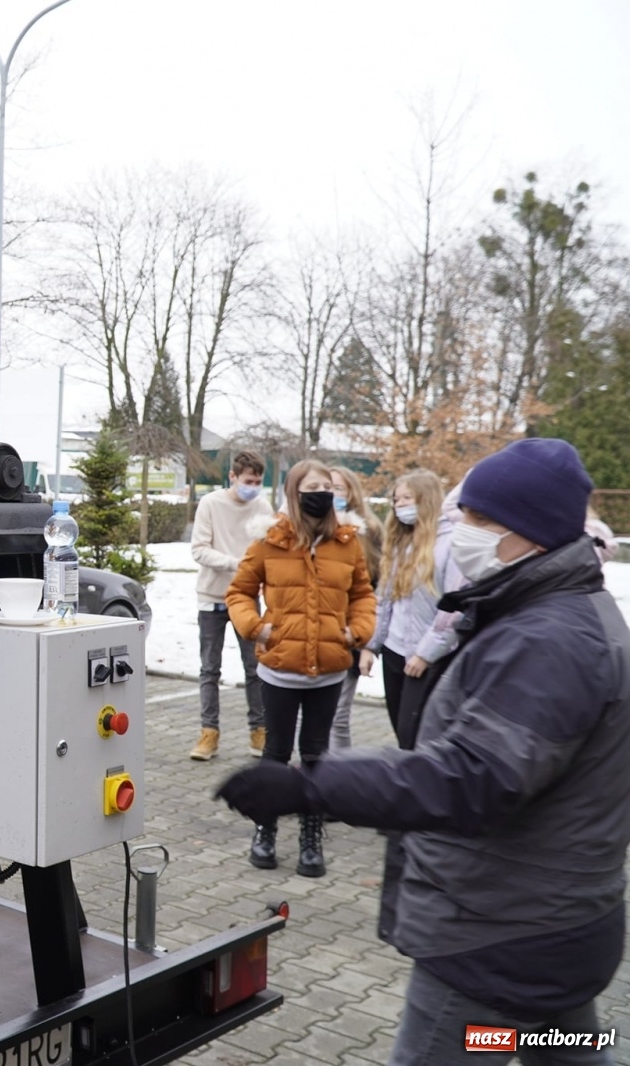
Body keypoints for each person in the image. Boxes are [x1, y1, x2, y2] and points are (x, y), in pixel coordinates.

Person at [216, 438, 630, 1066]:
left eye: (483, 520)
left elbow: (470, 778)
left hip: (497, 938)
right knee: (567, 1047)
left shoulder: (550, 639)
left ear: (532, 531)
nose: (463, 529)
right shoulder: (559, 614)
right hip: (557, 925)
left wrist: (314, 786)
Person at [224, 459, 375, 876]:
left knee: (316, 755)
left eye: (327, 485)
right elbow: (238, 591)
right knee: (275, 752)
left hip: (328, 668)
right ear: (294, 492)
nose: (322, 492)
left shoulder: (347, 542)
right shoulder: (269, 540)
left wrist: (357, 631)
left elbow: (363, 593)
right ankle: (265, 829)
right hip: (279, 668)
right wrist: (256, 627)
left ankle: (311, 835)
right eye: (312, 485)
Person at [360, 469, 464, 748]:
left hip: (427, 656)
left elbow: (455, 608)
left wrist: (425, 653)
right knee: (400, 728)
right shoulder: (400, 542)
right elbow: (384, 599)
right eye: (397, 499)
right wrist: (371, 646)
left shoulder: (450, 543)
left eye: (407, 498)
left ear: (426, 499)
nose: (400, 505)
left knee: (416, 734)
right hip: (395, 650)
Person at [188, 450, 274, 761]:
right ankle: (208, 734)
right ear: (233, 477)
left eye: (258, 481)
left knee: (255, 668)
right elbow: (199, 549)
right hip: (212, 596)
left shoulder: (262, 506)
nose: (253, 486)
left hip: (248, 598)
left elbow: (271, 549)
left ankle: (260, 731)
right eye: (248, 480)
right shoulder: (211, 504)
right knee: (209, 669)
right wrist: (237, 564)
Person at [327, 465, 383, 749]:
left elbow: (377, 592)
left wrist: (367, 645)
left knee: (337, 717)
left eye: (339, 488)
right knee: (311, 717)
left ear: (351, 492)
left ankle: (338, 780)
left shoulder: (370, 531)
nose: (333, 493)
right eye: (328, 487)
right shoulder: (315, 528)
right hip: (319, 632)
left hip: (351, 634)